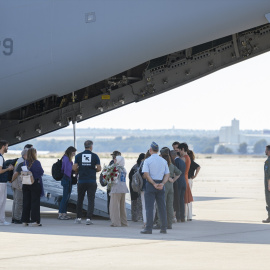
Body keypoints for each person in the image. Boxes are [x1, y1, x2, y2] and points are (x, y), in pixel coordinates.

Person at [141, 142, 170, 234]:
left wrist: (153, 183)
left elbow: (146, 174)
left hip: (151, 185)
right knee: (162, 207)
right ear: (157, 150)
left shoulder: (147, 161)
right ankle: (163, 228)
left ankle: (148, 228)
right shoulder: (163, 161)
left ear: (150, 150)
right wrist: (162, 183)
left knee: (149, 208)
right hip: (161, 185)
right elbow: (167, 174)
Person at [73, 140, 101, 225]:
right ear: (91, 146)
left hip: (81, 181)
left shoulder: (78, 156)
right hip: (91, 181)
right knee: (91, 200)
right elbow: (99, 168)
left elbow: (74, 168)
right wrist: (93, 170)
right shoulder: (95, 156)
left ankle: (78, 218)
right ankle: (88, 219)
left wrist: (80, 170)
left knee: (80, 199)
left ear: (84, 146)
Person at [154, 147, 181, 230]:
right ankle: (169, 224)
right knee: (169, 206)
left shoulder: (161, 164)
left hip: (163, 185)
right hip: (170, 186)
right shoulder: (171, 164)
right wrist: (172, 180)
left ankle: (160, 223)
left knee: (161, 205)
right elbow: (179, 173)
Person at [16, 148, 44, 226]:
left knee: (26, 202)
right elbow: (41, 172)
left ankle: (25, 220)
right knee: (35, 203)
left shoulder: (24, 162)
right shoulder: (37, 162)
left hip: (26, 184)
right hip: (34, 184)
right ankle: (35, 221)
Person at [110, 156, 129, 227]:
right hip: (123, 188)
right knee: (122, 207)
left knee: (114, 206)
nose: (114, 160)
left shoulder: (115, 168)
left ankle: (116, 222)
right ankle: (123, 222)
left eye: (115, 159)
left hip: (116, 189)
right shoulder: (123, 169)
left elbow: (113, 179)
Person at [58, 146, 77, 220]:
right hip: (66, 179)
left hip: (67, 179)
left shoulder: (67, 158)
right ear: (70, 152)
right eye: (73, 153)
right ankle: (61, 213)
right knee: (65, 197)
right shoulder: (66, 159)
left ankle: (64, 213)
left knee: (67, 197)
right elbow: (66, 170)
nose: (74, 154)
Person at [10, 149, 28, 224]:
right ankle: (17, 218)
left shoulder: (19, 160)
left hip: (15, 184)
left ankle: (14, 218)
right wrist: (12, 180)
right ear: (25, 155)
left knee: (16, 201)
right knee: (19, 202)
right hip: (18, 184)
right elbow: (16, 173)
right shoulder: (22, 162)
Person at [177, 142, 193, 221]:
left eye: (179, 150)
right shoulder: (188, 157)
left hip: (183, 177)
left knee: (183, 199)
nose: (179, 152)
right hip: (186, 177)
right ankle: (185, 216)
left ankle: (183, 216)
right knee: (185, 200)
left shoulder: (183, 158)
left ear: (183, 149)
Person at [0, 140, 14, 226]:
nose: (7, 148)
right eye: (7, 146)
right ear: (3, 147)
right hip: (1, 182)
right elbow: (0, 170)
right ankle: (2, 220)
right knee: (2, 201)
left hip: (1, 182)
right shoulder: (0, 157)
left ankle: (2, 219)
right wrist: (8, 169)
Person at [170, 150, 186, 222]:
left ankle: (178, 216)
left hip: (178, 182)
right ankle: (183, 216)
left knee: (177, 200)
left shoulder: (176, 162)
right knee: (182, 200)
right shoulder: (182, 161)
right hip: (183, 181)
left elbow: (176, 173)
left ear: (172, 156)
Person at [128, 153, 144, 222]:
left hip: (133, 186)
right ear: (142, 159)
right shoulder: (142, 166)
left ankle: (134, 217)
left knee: (134, 201)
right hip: (140, 186)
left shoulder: (134, 166)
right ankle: (141, 216)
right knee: (140, 201)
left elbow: (129, 176)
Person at [263, 145, 270, 223]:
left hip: (268, 184)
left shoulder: (268, 161)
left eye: (266, 150)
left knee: (269, 201)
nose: (265, 151)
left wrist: (269, 184)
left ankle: (269, 217)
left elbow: (268, 174)